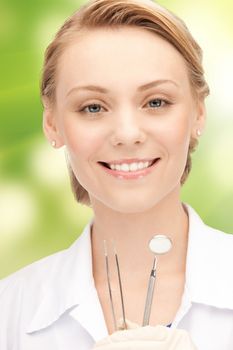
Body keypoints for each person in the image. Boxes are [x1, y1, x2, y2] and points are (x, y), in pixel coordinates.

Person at [0, 0, 232, 349]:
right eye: (92, 107)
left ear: (198, 113)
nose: (127, 133)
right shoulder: (10, 311)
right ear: (52, 124)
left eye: (156, 102)